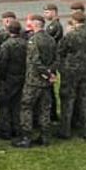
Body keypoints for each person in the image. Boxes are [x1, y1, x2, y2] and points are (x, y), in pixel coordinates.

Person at [15, 15, 58, 148]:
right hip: (46, 81)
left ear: (35, 24)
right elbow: (56, 58)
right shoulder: (51, 39)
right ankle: (45, 136)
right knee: (45, 109)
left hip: (33, 81)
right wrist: (50, 73)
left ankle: (26, 137)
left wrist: (45, 73)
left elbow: (35, 61)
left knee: (26, 107)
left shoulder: (33, 40)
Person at [58, 11, 86, 140]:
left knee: (68, 100)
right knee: (85, 100)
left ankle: (65, 130)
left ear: (74, 21)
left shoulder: (70, 36)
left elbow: (60, 51)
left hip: (70, 71)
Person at [0, 19, 27, 140]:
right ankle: (17, 128)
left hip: (7, 78)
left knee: (4, 105)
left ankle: (5, 130)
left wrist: (0, 78)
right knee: (17, 105)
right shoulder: (26, 44)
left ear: (8, 31)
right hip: (21, 76)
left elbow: (2, 63)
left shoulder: (6, 45)